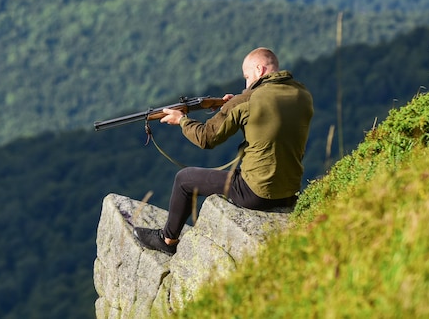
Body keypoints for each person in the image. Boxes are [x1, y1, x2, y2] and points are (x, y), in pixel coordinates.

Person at [133, 47, 314, 255]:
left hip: (256, 192)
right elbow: (269, 116)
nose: (246, 83)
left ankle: (167, 240)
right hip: (290, 192)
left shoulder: (245, 102)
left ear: (260, 69)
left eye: (247, 77)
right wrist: (237, 101)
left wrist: (182, 120)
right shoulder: (302, 94)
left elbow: (205, 138)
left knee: (184, 179)